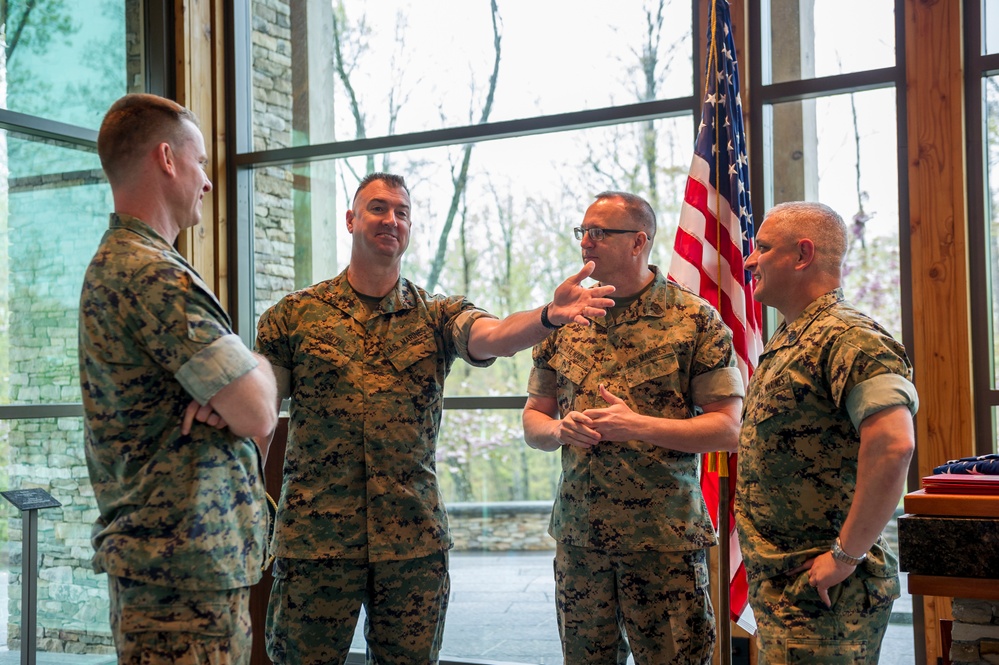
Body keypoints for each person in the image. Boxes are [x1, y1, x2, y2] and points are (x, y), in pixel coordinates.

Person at [255, 172, 616, 665]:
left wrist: (548, 316)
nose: (391, 220)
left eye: (402, 212)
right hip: (315, 543)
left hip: (410, 542)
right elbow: (258, 411)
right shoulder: (293, 317)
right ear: (351, 219)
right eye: (378, 208)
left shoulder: (435, 314)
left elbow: (493, 335)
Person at [79, 93, 279, 665]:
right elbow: (259, 412)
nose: (209, 183)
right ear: (167, 159)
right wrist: (252, 369)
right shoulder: (153, 274)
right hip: (181, 583)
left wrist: (236, 386)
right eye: (200, 163)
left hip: (177, 572)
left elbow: (242, 405)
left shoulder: (126, 261)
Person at [521, 191, 745, 664]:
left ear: (639, 241)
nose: (587, 242)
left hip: (663, 542)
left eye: (600, 232)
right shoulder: (564, 320)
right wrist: (559, 430)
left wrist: (637, 425)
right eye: (583, 231)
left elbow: (728, 429)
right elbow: (533, 419)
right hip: (581, 541)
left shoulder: (693, 319)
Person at [735, 201, 918, 664]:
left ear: (802, 255)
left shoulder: (851, 338)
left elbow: (894, 445)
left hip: (828, 591)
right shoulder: (794, 337)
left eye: (762, 248)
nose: (750, 259)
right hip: (787, 584)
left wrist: (844, 556)